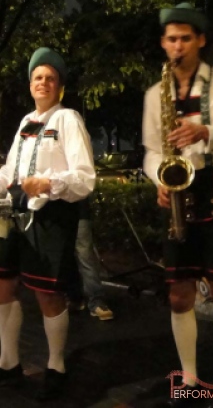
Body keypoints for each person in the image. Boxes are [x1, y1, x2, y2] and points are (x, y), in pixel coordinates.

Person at [143, 3, 213, 408]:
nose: (178, 45)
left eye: (186, 37)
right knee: (178, 294)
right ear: (163, 43)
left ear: (201, 40)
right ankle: (187, 377)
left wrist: (208, 131)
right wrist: (159, 178)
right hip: (179, 191)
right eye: (171, 38)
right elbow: (152, 151)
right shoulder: (157, 93)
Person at [0, 47, 95, 400]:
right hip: (14, 215)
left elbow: (85, 179)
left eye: (50, 78)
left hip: (51, 217)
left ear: (60, 87)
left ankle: (56, 364)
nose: (43, 82)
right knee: (3, 286)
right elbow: (10, 172)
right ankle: (8, 362)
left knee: (47, 294)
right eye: (38, 77)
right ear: (30, 84)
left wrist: (50, 183)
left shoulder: (68, 120)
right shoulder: (26, 122)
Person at [67, 197, 114, 320]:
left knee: (85, 256)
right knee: (66, 257)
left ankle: (96, 301)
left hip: (78, 212)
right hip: (56, 214)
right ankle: (75, 298)